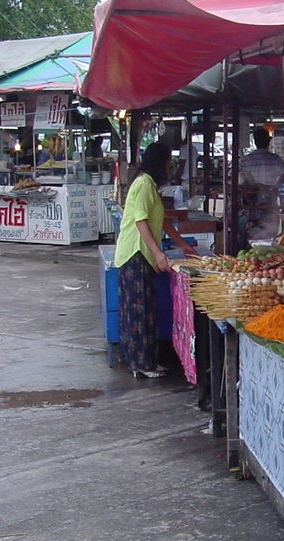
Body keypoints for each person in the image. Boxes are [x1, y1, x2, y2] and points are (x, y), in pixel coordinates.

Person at [114, 143, 197, 379]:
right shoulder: (142, 185)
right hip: (135, 254)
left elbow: (162, 221)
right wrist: (159, 253)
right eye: (168, 162)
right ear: (160, 163)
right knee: (138, 310)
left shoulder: (150, 186)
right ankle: (141, 362)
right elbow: (141, 222)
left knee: (144, 308)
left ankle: (143, 360)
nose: (170, 166)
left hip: (143, 255)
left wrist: (183, 245)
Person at [237, 128, 284, 248]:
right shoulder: (274, 158)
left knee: (251, 226)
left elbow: (235, 176)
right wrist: (276, 187)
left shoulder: (246, 159)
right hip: (268, 198)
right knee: (269, 225)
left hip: (250, 201)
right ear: (268, 142)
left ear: (255, 142)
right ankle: (267, 248)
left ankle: (250, 248)